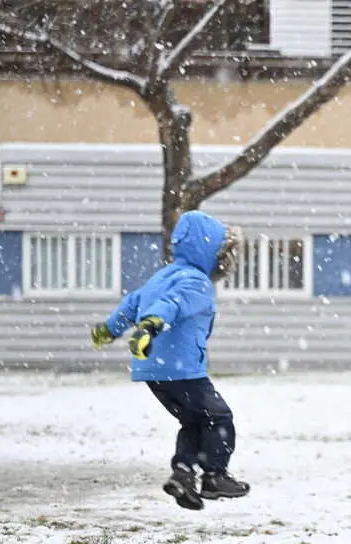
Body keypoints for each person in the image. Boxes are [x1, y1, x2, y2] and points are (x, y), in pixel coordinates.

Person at [90, 210, 249, 511]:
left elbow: (131, 304)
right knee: (219, 418)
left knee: (193, 421)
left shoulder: (159, 278)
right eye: (221, 253)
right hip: (183, 369)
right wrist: (150, 326)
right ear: (208, 251)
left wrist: (109, 330)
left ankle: (184, 473)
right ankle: (215, 475)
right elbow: (171, 305)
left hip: (153, 371)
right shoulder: (197, 283)